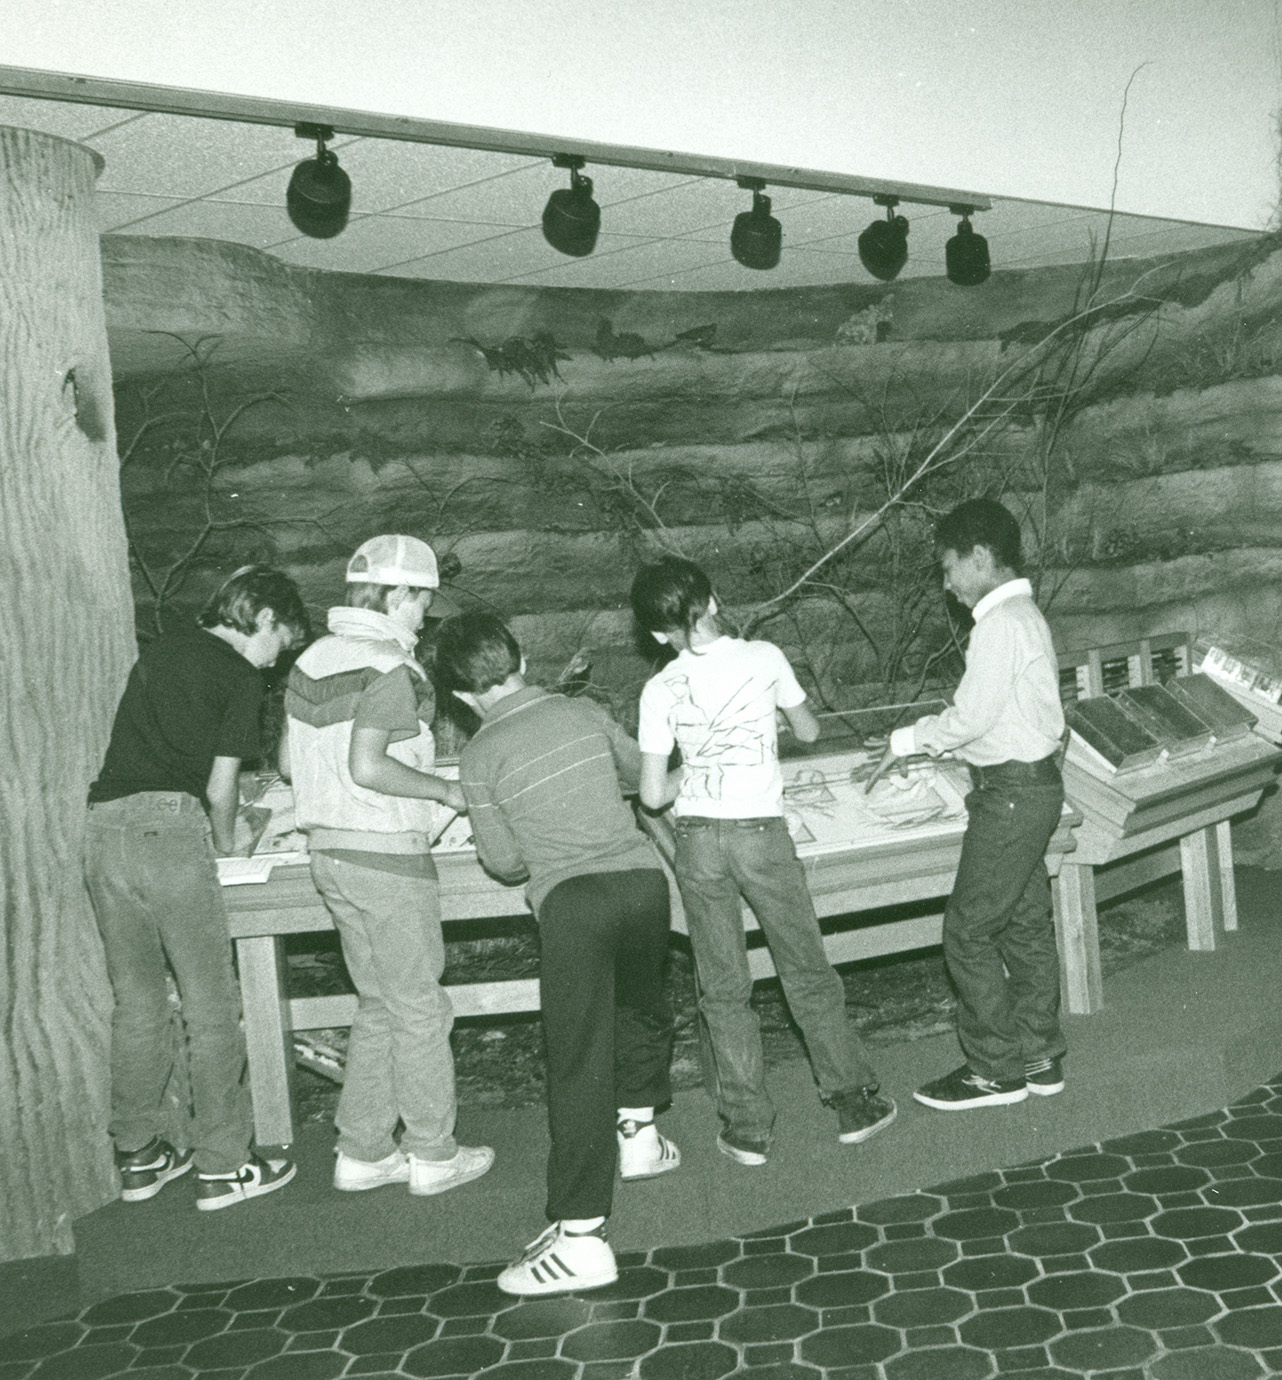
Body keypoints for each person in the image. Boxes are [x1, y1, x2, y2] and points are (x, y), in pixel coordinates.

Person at [428, 612, 678, 1297]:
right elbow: (640, 775)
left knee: (576, 1062)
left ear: (460, 693)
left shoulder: (480, 753)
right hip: (643, 885)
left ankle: (580, 1237)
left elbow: (505, 863)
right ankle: (641, 1137)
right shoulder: (584, 710)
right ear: (517, 660)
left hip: (575, 907)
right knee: (641, 1008)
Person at [632, 555, 895, 1166]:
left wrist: (697, 763)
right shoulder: (765, 656)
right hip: (761, 834)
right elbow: (807, 731)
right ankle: (853, 1101)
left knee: (723, 986)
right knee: (804, 966)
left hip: (697, 838)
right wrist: (765, 721)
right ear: (714, 598)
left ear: (655, 632)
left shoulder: (658, 688)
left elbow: (650, 796)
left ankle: (748, 1126)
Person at [84, 566, 311, 1210]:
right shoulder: (238, 673)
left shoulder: (162, 651)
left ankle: (138, 1155)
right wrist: (230, 840)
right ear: (263, 620)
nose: (275, 663)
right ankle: (223, 1164)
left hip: (103, 831)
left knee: (139, 1004)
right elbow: (220, 790)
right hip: (169, 834)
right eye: (280, 645)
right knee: (212, 1005)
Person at [285, 534, 492, 1196]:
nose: (424, 617)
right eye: (422, 603)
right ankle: (434, 1153)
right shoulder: (390, 669)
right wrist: (446, 791)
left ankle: (364, 1149)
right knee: (421, 1006)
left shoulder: (312, 659)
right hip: (387, 857)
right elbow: (369, 766)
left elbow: (291, 764)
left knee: (378, 1001)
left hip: (329, 855)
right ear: (398, 594)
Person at [873, 499, 1069, 1110]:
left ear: (980, 558)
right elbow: (1002, 717)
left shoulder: (999, 623)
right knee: (1023, 922)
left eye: (949, 566)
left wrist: (905, 740)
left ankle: (994, 1069)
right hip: (1030, 788)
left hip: (1011, 797)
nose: (947, 583)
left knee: (967, 932)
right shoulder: (1024, 614)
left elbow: (973, 715)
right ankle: (1038, 1054)